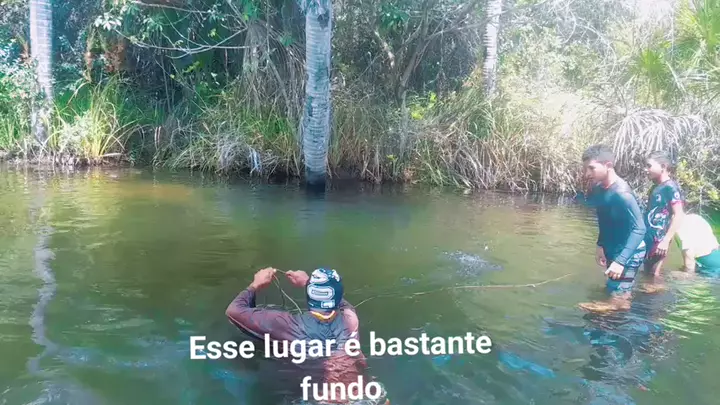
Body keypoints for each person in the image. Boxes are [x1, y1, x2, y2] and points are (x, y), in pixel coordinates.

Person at [225, 267, 390, 405]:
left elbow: (234, 311)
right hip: (368, 398)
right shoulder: (350, 318)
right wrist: (307, 282)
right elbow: (339, 300)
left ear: (311, 294)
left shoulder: (289, 325)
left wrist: (256, 284)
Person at [579, 144, 647, 312]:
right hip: (613, 247)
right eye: (585, 169)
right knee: (613, 287)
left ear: (608, 165)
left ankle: (618, 314)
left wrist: (620, 261)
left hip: (631, 251)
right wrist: (600, 245)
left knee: (620, 294)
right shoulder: (599, 189)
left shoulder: (622, 193)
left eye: (591, 168)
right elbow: (604, 220)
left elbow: (640, 229)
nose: (587, 174)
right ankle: (615, 311)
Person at [643, 151, 686, 276]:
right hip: (649, 237)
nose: (646, 169)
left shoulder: (670, 187)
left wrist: (666, 240)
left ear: (663, 166)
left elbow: (679, 215)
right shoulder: (656, 187)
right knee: (648, 274)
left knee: (653, 276)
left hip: (659, 240)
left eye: (649, 166)